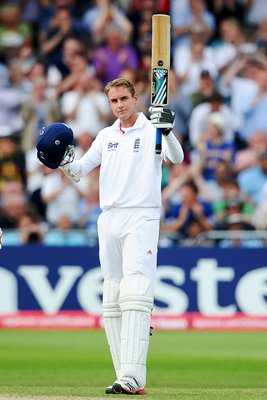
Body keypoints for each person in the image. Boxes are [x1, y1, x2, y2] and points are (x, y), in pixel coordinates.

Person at [36, 78, 184, 395]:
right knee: (113, 296)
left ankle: (134, 376)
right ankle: (123, 375)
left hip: (141, 215)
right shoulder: (105, 136)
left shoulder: (152, 128)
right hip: (109, 218)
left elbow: (178, 158)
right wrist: (61, 160)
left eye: (123, 99)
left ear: (135, 97)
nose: (119, 105)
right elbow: (79, 171)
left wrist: (168, 131)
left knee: (135, 291)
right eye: (113, 101)